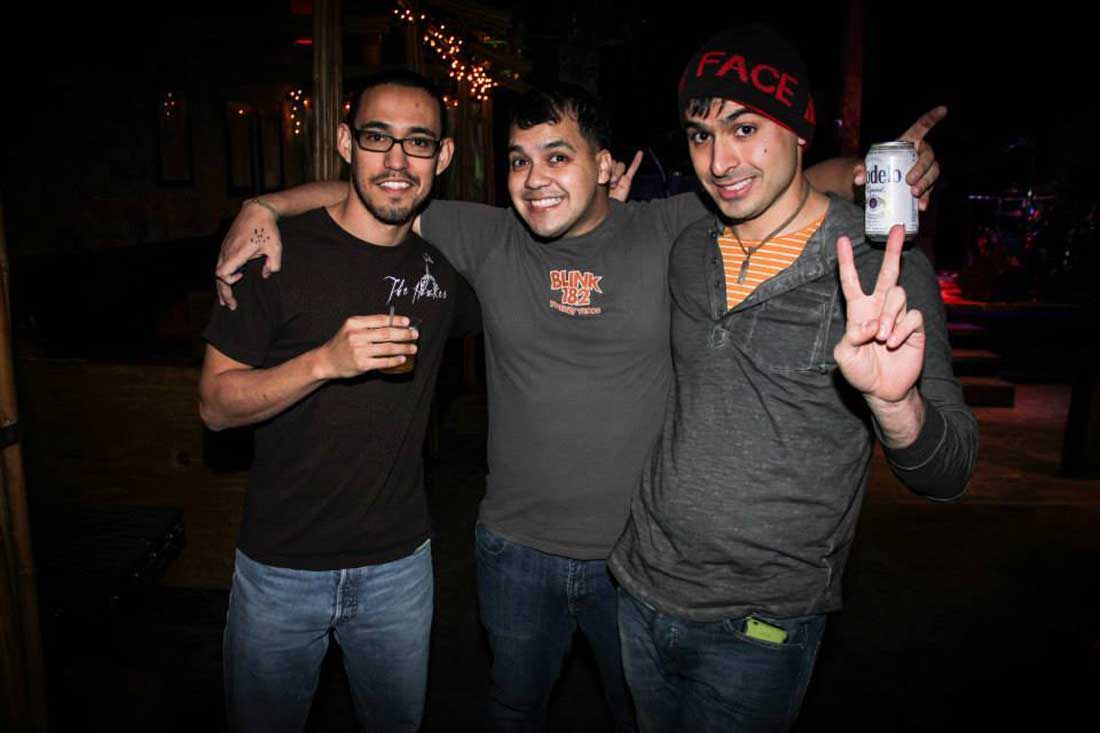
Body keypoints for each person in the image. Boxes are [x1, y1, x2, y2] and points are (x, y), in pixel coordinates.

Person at [213, 82, 940, 731]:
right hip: (512, 550)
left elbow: (779, 183)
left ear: (604, 165)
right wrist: (264, 204)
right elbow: (382, 191)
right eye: (520, 160)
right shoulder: (489, 236)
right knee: (512, 707)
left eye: (558, 157)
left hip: (635, 561)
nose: (534, 180)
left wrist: (866, 171)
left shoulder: (667, 230)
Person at [607, 25, 978, 732]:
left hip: (759, 626)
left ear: (800, 130)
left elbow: (951, 470)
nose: (720, 160)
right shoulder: (687, 246)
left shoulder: (878, 269)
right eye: (699, 134)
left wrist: (895, 406)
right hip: (638, 587)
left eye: (745, 127)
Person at [198, 69, 477, 733]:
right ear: (347, 143)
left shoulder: (444, 271)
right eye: (378, 138)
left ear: (443, 158)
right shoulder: (273, 255)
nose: (397, 160)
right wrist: (324, 362)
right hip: (280, 569)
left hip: (399, 569)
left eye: (418, 143)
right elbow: (214, 404)